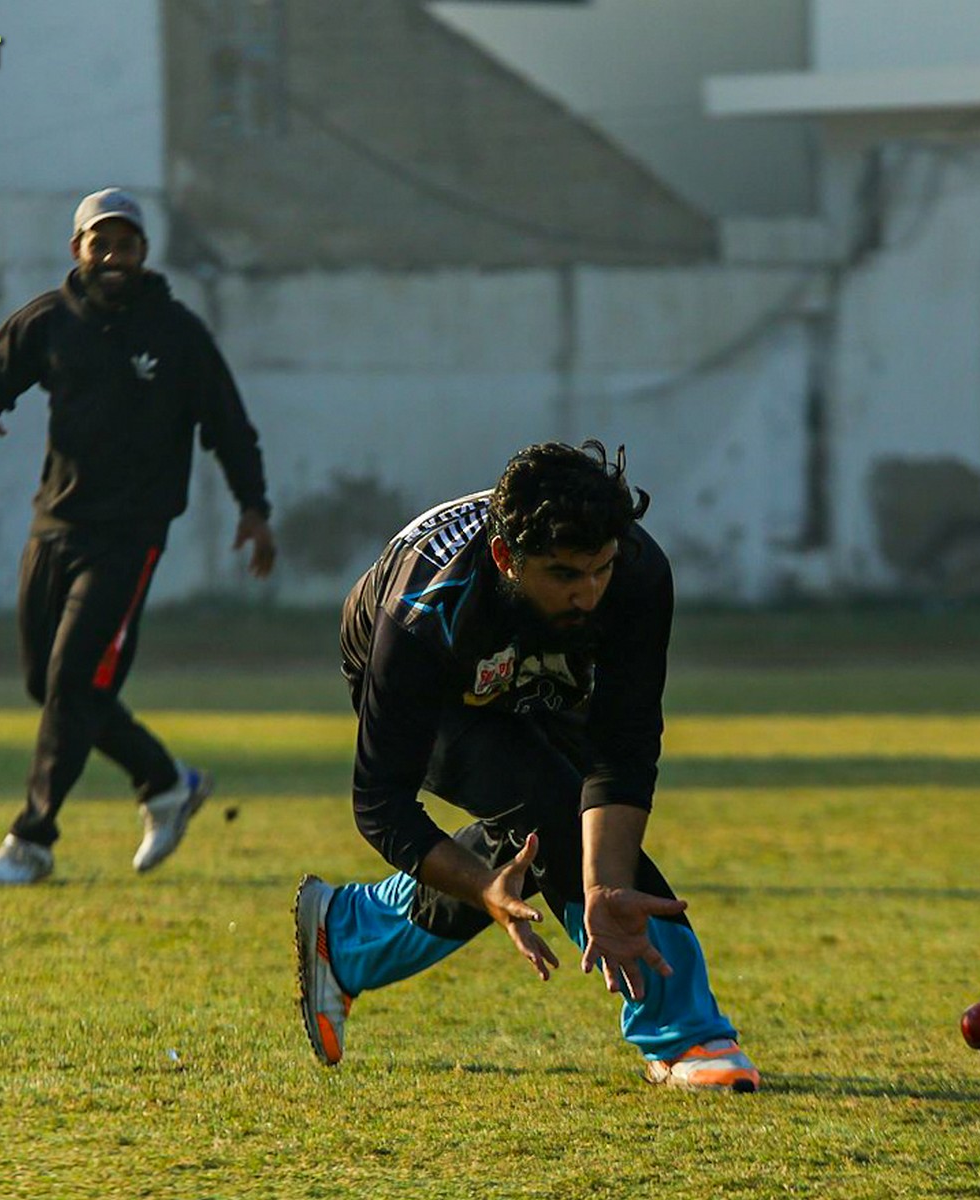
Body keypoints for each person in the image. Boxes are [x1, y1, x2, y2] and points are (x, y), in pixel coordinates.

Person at [293, 441, 760, 1092]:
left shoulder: (636, 571)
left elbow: (624, 745)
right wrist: (483, 889)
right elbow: (381, 804)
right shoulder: (426, 611)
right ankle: (685, 1033)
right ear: (505, 557)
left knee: (551, 836)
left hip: (537, 660)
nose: (589, 593)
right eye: (565, 574)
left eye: (599, 569)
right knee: (547, 806)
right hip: (433, 679)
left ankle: (350, 934)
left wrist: (603, 887)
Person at [0, 187, 277, 886]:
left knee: (74, 681)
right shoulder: (51, 320)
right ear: (78, 249)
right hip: (54, 525)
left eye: (125, 245)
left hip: (131, 536)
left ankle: (32, 840)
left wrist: (253, 508)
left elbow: (228, 424)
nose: (112, 257)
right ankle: (165, 782)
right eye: (99, 244)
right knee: (46, 684)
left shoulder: (177, 333)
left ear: (143, 253)